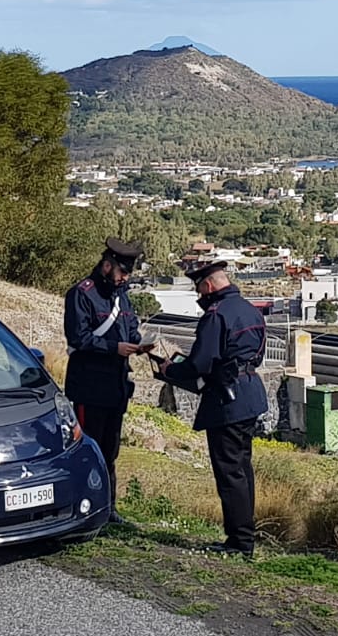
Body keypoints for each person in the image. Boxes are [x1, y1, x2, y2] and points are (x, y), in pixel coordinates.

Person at [152, 260, 268, 557]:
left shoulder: (216, 316)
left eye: (198, 288)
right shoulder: (251, 310)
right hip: (250, 394)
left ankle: (240, 543)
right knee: (242, 470)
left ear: (208, 286)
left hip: (226, 400)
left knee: (229, 474)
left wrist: (169, 370)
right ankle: (245, 537)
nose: (198, 296)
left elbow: (199, 364)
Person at [62, 236, 150, 524]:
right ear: (107, 265)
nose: (124, 278)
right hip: (90, 387)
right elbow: (79, 338)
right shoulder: (81, 294)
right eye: (122, 272)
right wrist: (115, 348)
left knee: (110, 450)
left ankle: (108, 508)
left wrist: (139, 344)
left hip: (115, 386)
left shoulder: (120, 294)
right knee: (90, 448)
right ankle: (84, 507)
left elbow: (130, 326)